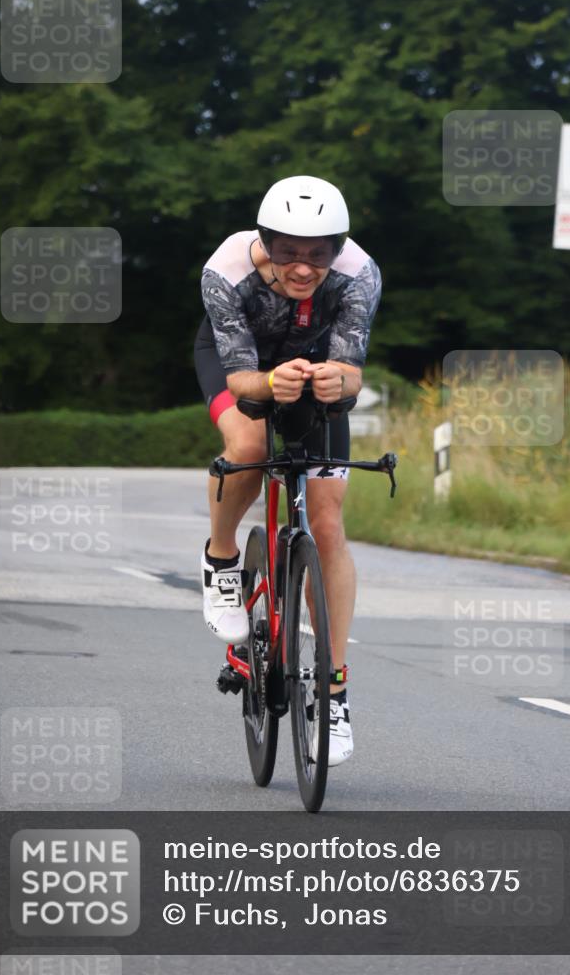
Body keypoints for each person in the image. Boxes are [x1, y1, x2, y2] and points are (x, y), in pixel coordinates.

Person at [194, 175, 381, 765]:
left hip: (316, 363)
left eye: (318, 255)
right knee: (250, 444)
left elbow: (352, 372)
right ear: (266, 242)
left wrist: (337, 381)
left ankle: (334, 694)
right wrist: (272, 382)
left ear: (337, 250)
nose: (302, 267)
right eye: (288, 252)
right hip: (241, 361)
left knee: (326, 525)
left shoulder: (360, 274)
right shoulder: (226, 271)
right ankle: (221, 559)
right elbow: (241, 379)